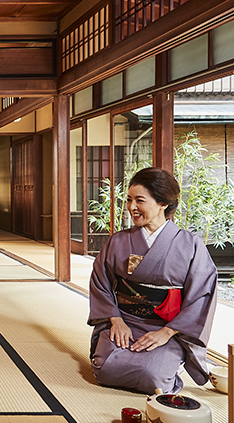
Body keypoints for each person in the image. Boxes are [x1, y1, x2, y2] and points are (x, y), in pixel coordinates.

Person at [88, 167, 217, 395]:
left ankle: (167, 360)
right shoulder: (118, 241)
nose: (131, 207)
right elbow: (100, 282)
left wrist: (167, 332)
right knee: (105, 368)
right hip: (124, 322)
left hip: (166, 328)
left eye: (140, 200)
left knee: (153, 377)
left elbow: (202, 295)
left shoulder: (191, 245)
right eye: (129, 200)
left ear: (163, 204)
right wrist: (115, 319)